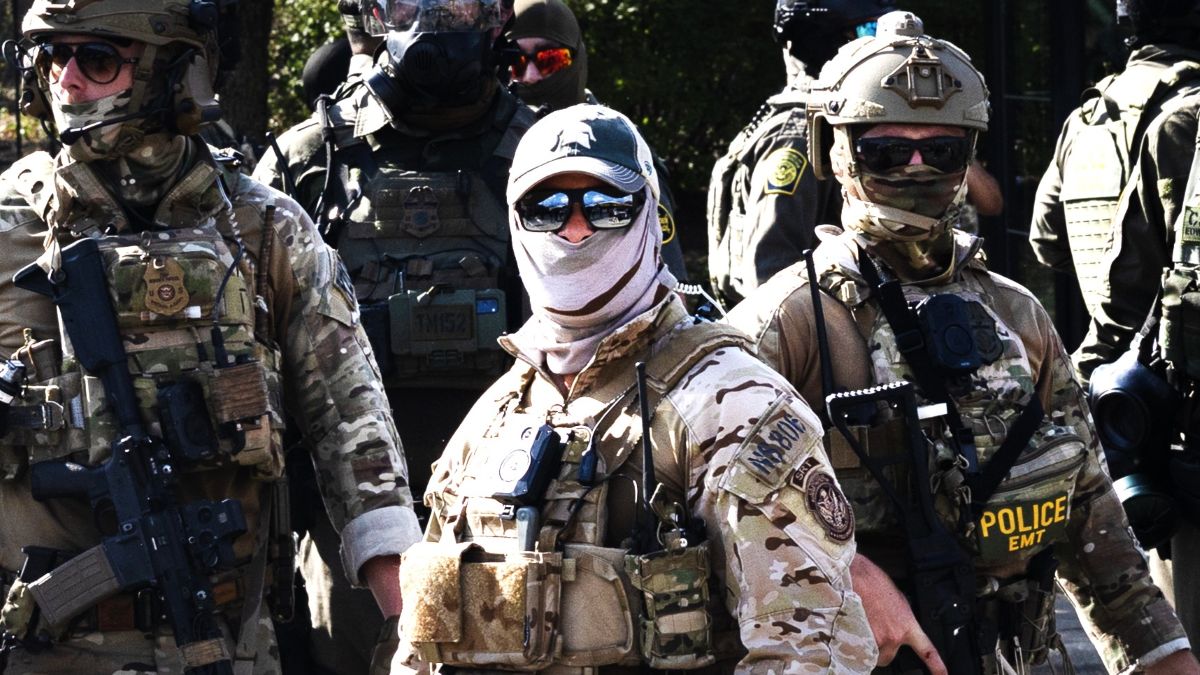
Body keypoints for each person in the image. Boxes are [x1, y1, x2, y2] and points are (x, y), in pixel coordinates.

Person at [726, 14, 1199, 674]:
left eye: (942, 151)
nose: (917, 168)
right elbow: (714, 512)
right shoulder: (789, 322)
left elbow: (1093, 517)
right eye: (887, 151)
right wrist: (841, 568)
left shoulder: (1017, 314)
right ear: (838, 152)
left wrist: (1160, 651)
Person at [0, 0, 420, 673]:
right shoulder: (8, 227)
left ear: (172, 70)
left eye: (97, 60)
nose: (66, 80)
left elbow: (355, 436)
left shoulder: (266, 228)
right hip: (42, 652)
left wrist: (411, 628)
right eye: (52, 57)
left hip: (226, 644)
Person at [395, 102, 875, 673]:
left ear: (648, 215)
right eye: (545, 208)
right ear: (515, 221)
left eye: (606, 207)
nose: (575, 230)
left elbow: (812, 650)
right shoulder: (498, 413)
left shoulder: (733, 403)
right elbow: (423, 642)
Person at [251, 1, 535, 673]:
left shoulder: (550, 156)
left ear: (498, 14)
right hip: (349, 537)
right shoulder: (307, 163)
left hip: (524, 520)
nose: (433, 20)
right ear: (373, 14)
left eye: (459, 2)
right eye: (408, 2)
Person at [1030, 0, 1200, 376]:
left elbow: (1046, 240)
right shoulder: (1190, 111)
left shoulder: (1087, 115)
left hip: (1110, 371)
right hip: (1175, 370)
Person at [707, 0, 894, 309]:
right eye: (870, 30)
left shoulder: (828, 123)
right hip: (806, 333)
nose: (882, 46)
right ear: (822, 39)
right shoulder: (801, 136)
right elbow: (769, 280)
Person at [505, 0, 689, 284]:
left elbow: (670, 279)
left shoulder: (620, 148)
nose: (530, 76)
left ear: (576, 58)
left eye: (549, 60)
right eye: (515, 62)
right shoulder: (493, 145)